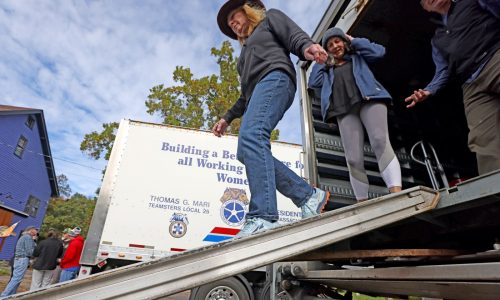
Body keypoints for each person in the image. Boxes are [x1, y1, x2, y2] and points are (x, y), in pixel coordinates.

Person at [212, 0, 330, 237]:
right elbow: (245, 96)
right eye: (229, 24)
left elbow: (292, 34)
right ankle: (307, 196)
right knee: (245, 150)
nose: (233, 24)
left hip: (276, 79)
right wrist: (227, 117)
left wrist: (307, 47)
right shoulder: (243, 59)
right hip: (259, 91)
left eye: (235, 17)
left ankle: (263, 216)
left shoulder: (268, 20)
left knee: (253, 136)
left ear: (248, 12)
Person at [405, 0, 500, 175]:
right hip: (471, 83)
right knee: (483, 139)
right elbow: (442, 71)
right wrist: (428, 90)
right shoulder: (438, 38)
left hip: (494, 58)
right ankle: (495, 187)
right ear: (426, 8)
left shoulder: (471, 3)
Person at [308, 27, 402, 201]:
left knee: (380, 141)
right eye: (329, 45)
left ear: (344, 42)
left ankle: (395, 192)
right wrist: (320, 60)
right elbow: (313, 82)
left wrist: (354, 40)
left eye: (337, 41)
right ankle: (362, 202)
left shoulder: (357, 57)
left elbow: (379, 52)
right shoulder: (327, 70)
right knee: (353, 158)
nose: (335, 46)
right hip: (344, 110)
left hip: (370, 100)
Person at [1, 226, 38, 297]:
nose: (37, 232)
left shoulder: (23, 237)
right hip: (22, 259)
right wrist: (35, 245)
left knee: (16, 279)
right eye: (36, 230)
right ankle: (3, 296)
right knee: (16, 279)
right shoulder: (28, 237)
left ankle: (11, 295)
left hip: (18, 259)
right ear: (31, 230)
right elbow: (30, 252)